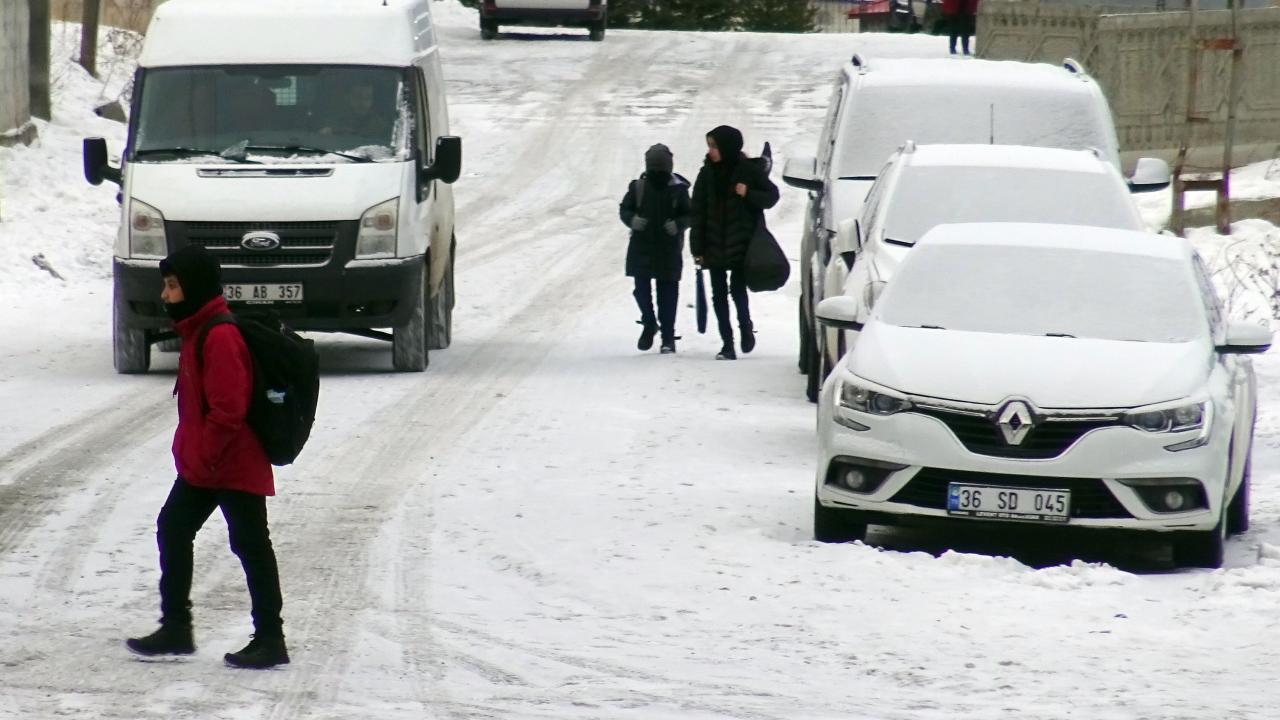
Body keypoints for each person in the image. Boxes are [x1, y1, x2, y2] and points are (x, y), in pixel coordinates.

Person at [125, 245, 289, 670]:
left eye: (173, 285)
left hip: (230, 464)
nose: (166, 295)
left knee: (251, 546)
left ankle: (270, 639)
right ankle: (177, 627)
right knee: (174, 529)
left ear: (194, 287)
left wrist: (206, 459)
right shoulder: (197, 330)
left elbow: (228, 411)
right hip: (208, 463)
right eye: (166, 285)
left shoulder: (218, 336)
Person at [690, 125, 780, 360]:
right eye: (709, 146)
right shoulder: (706, 174)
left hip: (742, 244)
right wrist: (697, 249)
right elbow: (697, 213)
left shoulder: (748, 171)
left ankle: (745, 328)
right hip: (713, 244)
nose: (711, 151)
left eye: (714, 146)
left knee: (738, 291)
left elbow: (771, 196)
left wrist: (747, 193)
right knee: (718, 295)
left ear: (727, 147)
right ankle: (727, 344)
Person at [619, 144, 692, 354]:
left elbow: (690, 214)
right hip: (642, 246)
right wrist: (632, 220)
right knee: (641, 291)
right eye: (654, 167)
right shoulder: (638, 187)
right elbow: (625, 209)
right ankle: (650, 323)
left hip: (668, 248)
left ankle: (668, 336)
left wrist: (678, 225)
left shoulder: (679, 190)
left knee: (667, 294)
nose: (657, 172)